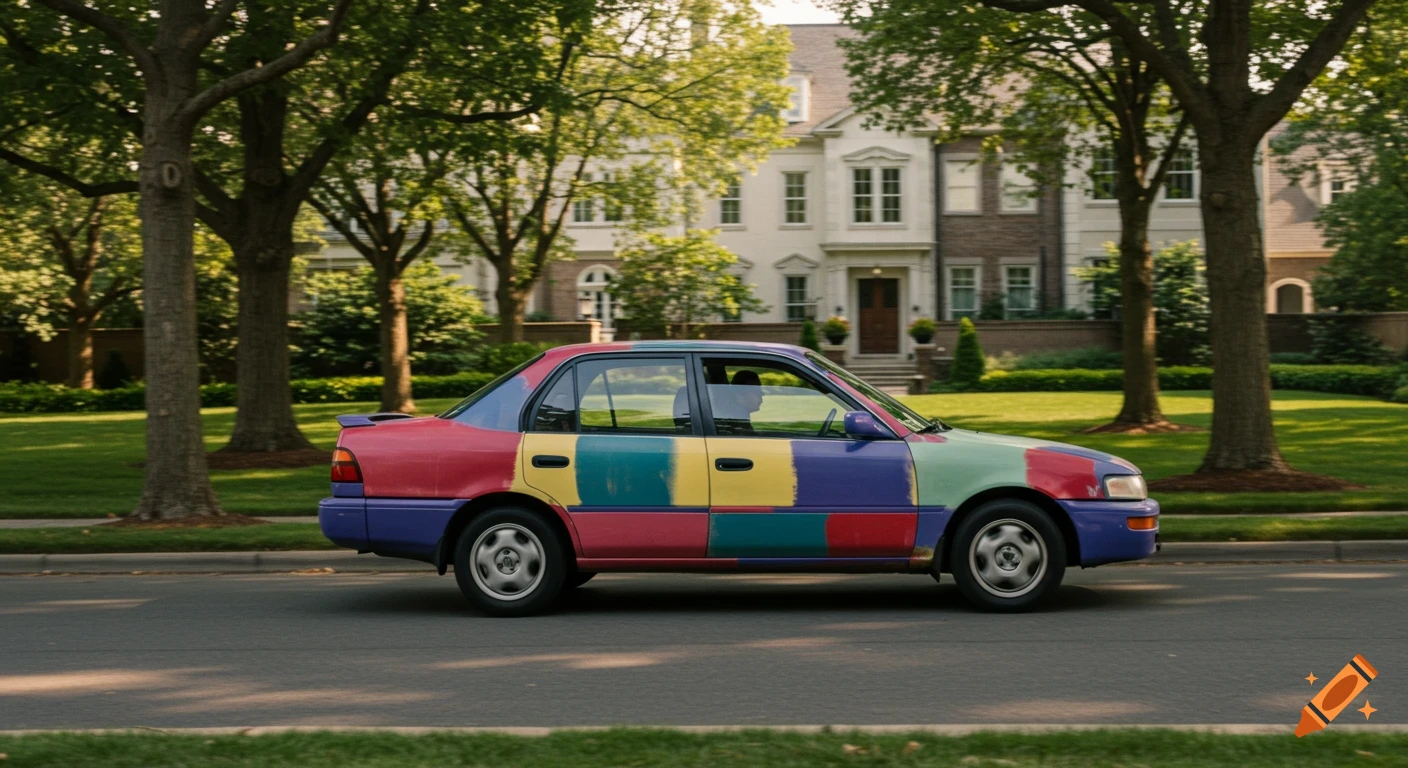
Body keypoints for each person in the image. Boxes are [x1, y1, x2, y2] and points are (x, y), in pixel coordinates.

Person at [712, 369, 763, 435]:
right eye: (756, 391)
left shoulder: (735, 413)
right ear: (740, 395)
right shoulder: (737, 417)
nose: (762, 393)